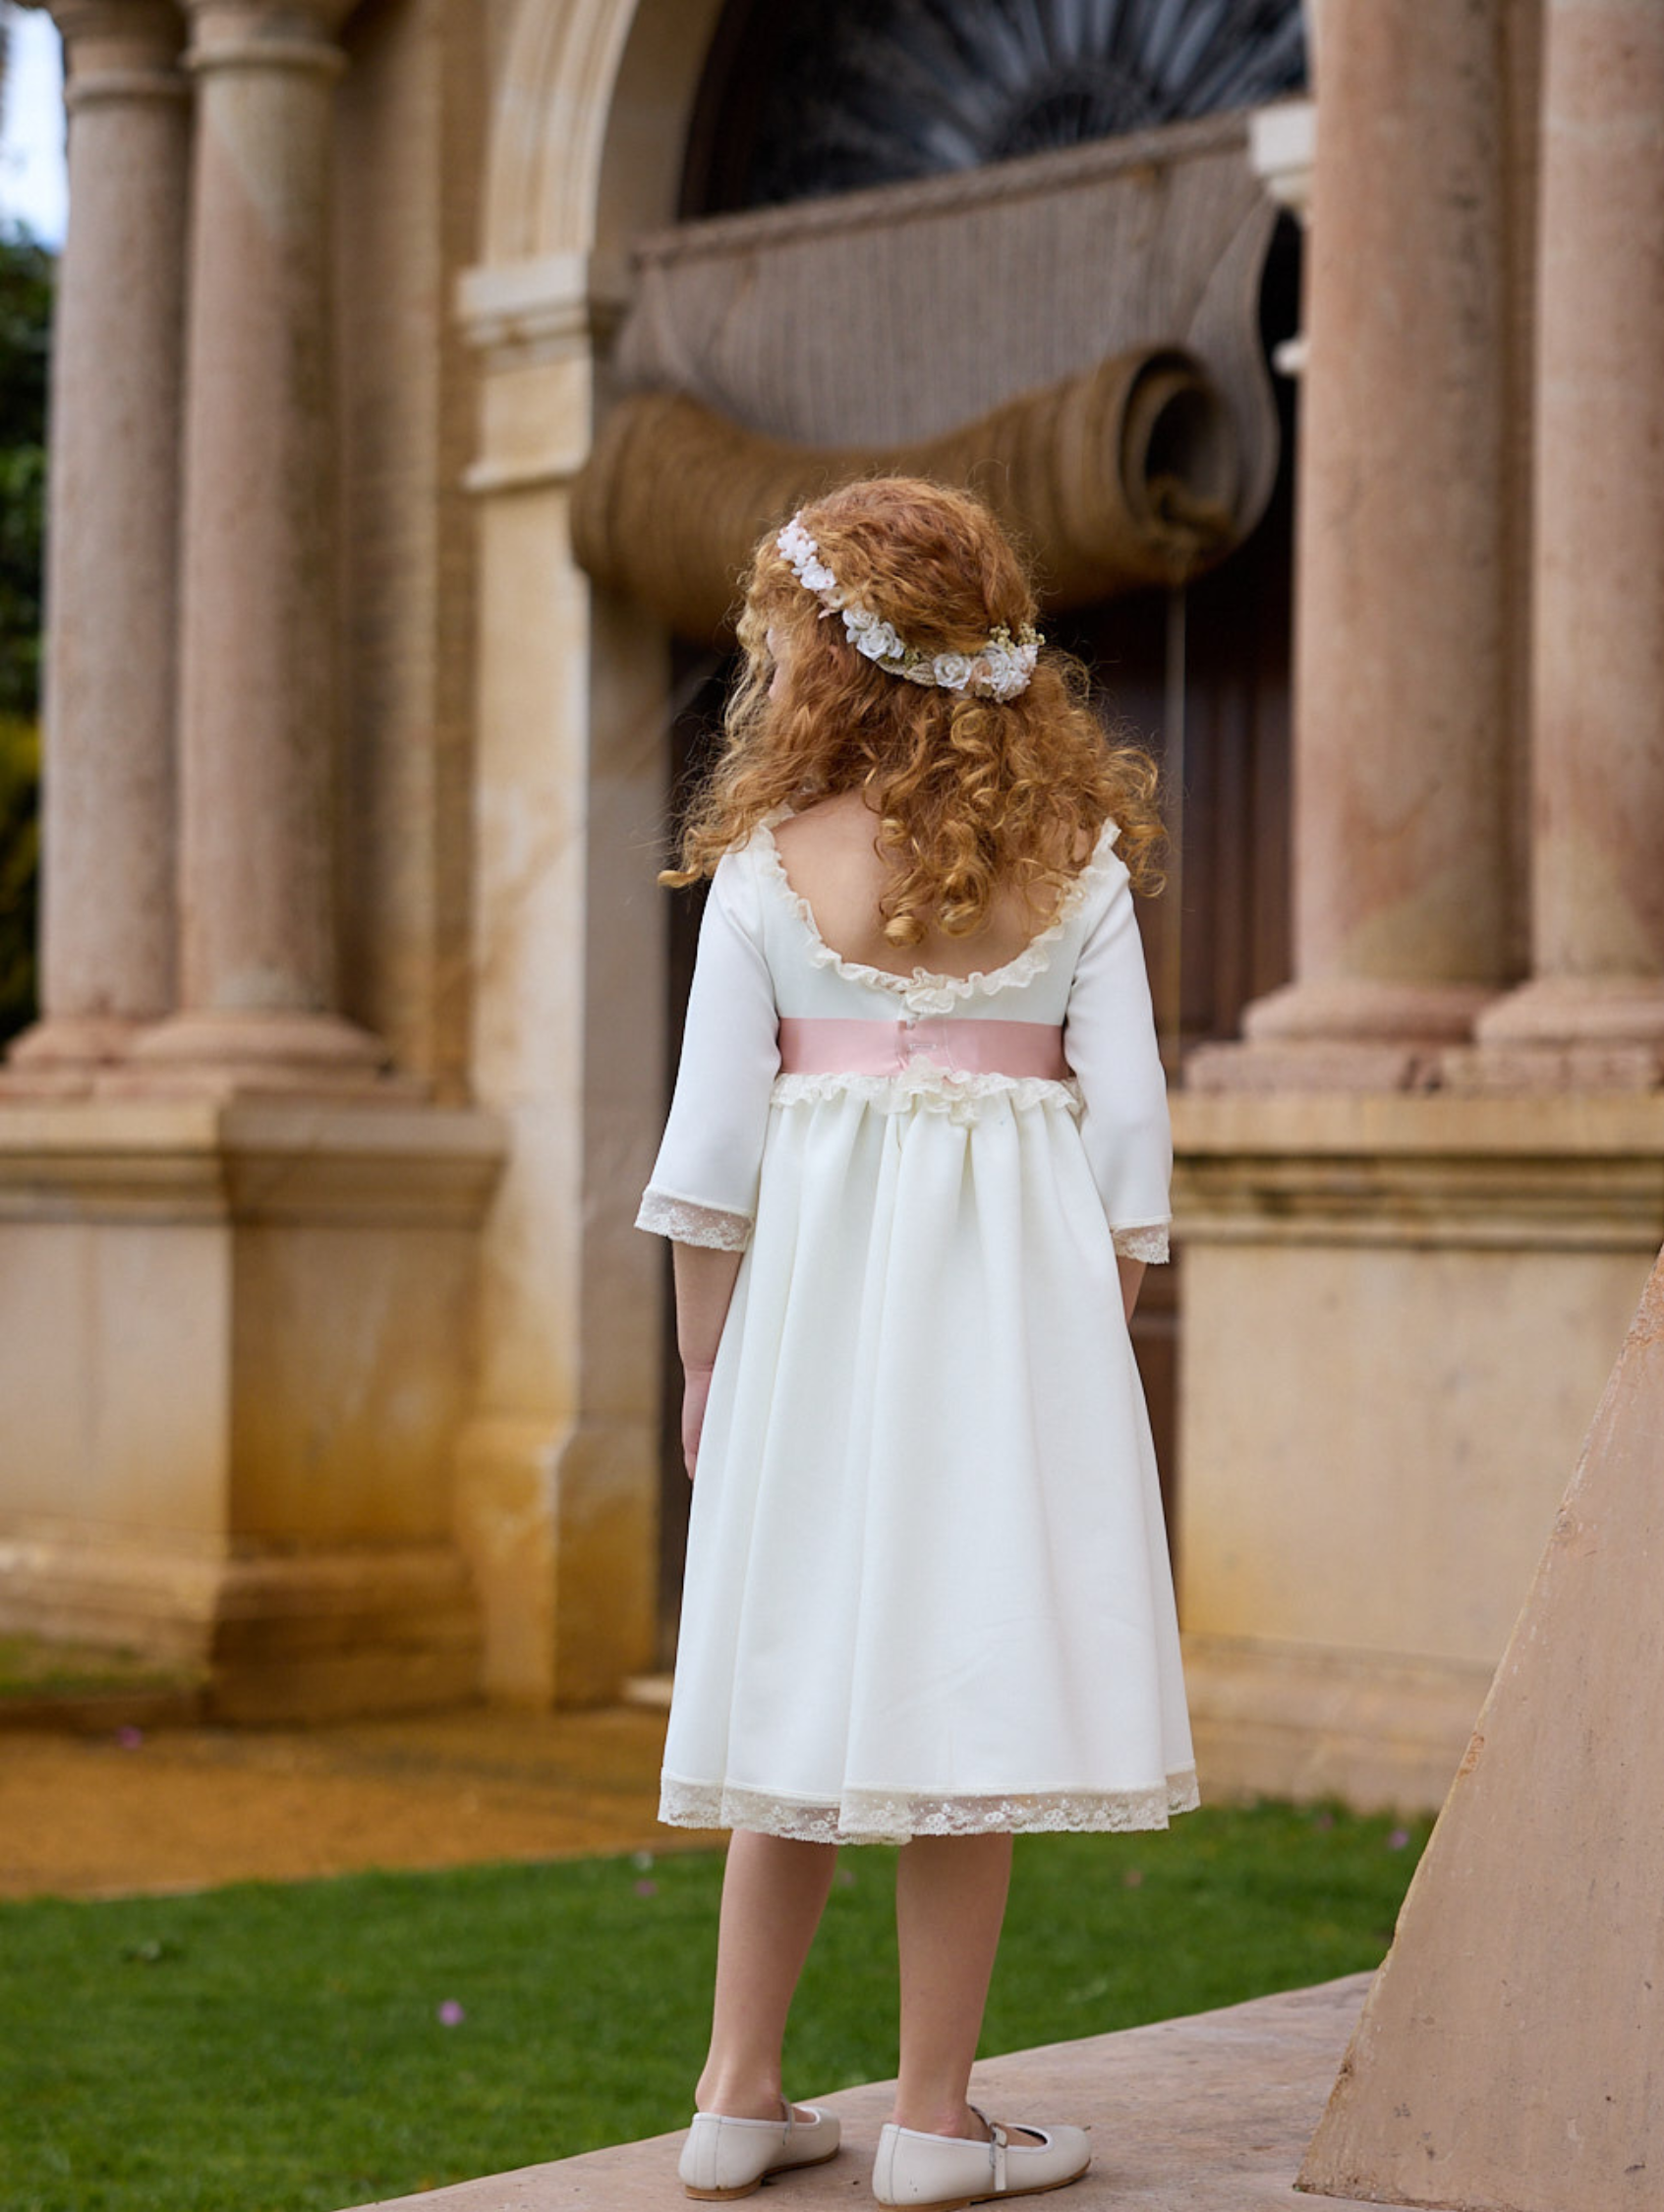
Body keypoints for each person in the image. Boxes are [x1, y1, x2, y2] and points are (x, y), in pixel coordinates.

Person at [636, 477, 1196, 2208]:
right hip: (1008, 1354)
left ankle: (739, 2093)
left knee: (802, 1663)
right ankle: (935, 2120)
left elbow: (711, 1161)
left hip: (808, 1342)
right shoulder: (1078, 863)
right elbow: (1128, 1155)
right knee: (969, 1688)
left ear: (832, 663)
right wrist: (1081, 1357)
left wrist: (704, 1364)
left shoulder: (761, 869)